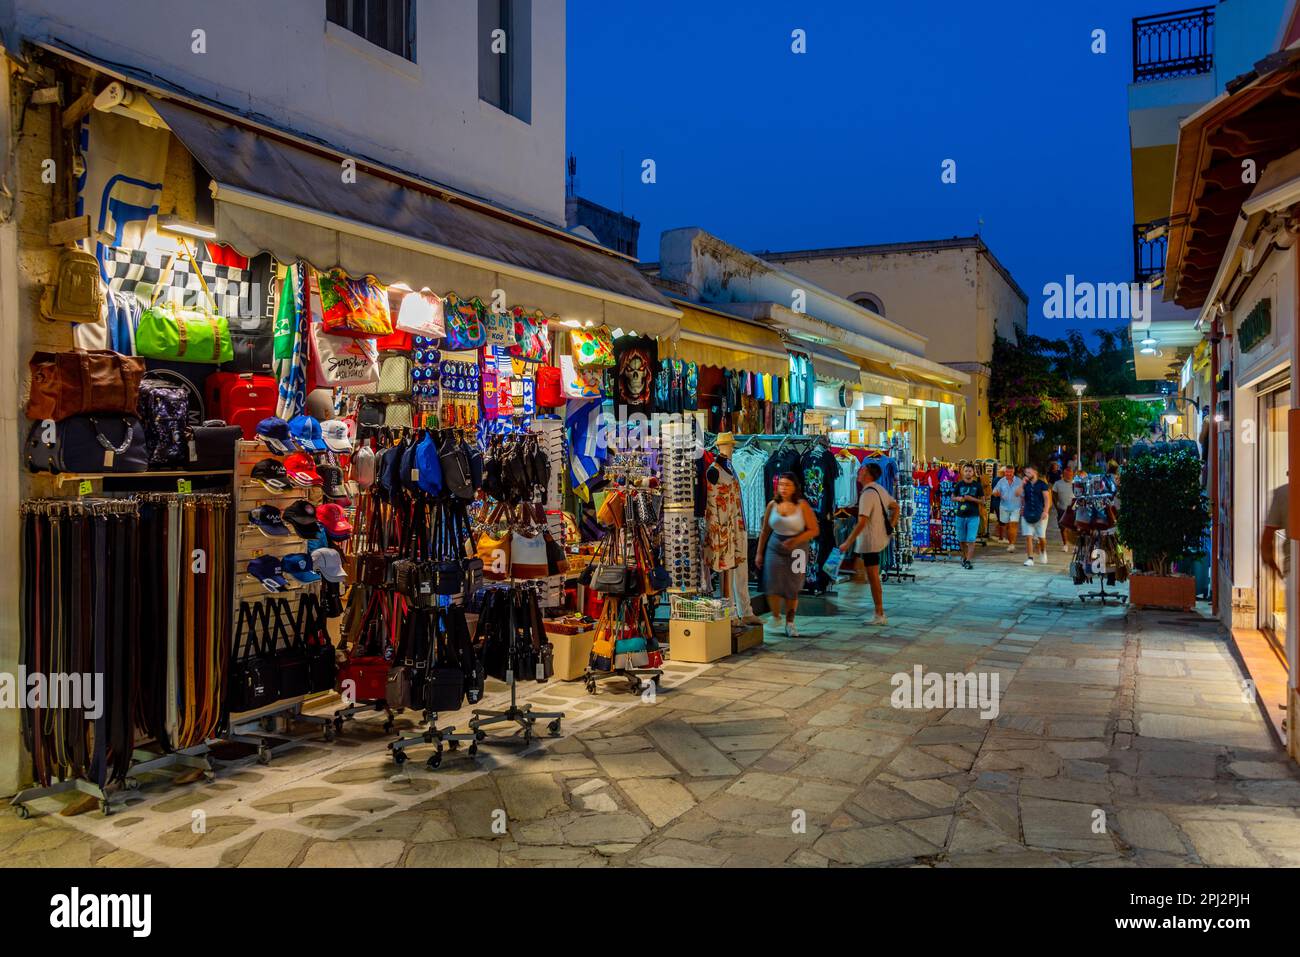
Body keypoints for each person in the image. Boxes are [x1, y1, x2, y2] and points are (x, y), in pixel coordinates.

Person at [754, 472, 819, 638]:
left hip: (797, 548)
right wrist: (759, 553)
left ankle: (790, 622)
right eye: (781, 484)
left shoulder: (802, 505)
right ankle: (775, 615)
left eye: (787, 485)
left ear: (795, 487)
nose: (783, 488)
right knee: (772, 582)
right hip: (775, 546)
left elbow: (814, 529)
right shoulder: (772, 505)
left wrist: (795, 540)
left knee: (793, 586)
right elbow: (765, 530)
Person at [840, 462, 899, 626]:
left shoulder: (867, 494)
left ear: (867, 473)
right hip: (870, 541)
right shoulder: (879, 489)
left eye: (862, 470)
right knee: (866, 574)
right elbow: (896, 507)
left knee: (873, 578)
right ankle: (862, 602)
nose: (858, 472)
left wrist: (847, 541)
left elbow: (861, 522)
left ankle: (879, 613)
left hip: (870, 541)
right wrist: (891, 524)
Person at [1020, 465, 1053, 566]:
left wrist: (1045, 511)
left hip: (1040, 513)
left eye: (1029, 472)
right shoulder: (1025, 484)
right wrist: (1022, 507)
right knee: (1028, 536)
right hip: (1027, 513)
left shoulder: (1042, 484)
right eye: (1026, 473)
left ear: (1035, 472)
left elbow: (1047, 499)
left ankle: (1043, 551)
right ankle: (1030, 558)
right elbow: (1018, 494)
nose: (1027, 475)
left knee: (1041, 537)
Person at [953, 463, 983, 569]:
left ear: (973, 472)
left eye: (970, 471)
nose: (968, 473)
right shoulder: (959, 485)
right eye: (966, 471)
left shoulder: (977, 485)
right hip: (960, 516)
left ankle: (969, 560)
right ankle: (965, 557)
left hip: (973, 516)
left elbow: (983, 501)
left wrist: (972, 499)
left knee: (971, 539)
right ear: (962, 472)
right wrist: (959, 499)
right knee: (961, 539)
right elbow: (953, 497)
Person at [992, 465, 1023, 551]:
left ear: (1013, 472)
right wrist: (996, 493)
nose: (1008, 474)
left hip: (1016, 507)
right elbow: (994, 491)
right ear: (1005, 472)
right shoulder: (1001, 481)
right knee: (1006, 525)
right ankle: (1009, 541)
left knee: (1013, 524)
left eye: (1010, 472)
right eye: (1007, 472)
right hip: (1004, 507)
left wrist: (1023, 506)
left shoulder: (1019, 481)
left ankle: (1012, 544)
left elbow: (1023, 494)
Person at [1052, 465, 1075, 552]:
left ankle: (1074, 545)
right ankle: (1065, 544)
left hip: (1073, 509)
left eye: (1070, 474)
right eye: (1066, 474)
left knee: (1073, 528)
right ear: (1063, 474)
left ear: (1072, 474)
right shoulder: (1058, 483)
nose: (1068, 476)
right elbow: (1054, 494)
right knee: (1063, 527)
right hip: (1062, 508)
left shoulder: (1075, 483)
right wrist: (1056, 505)